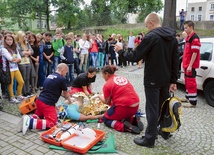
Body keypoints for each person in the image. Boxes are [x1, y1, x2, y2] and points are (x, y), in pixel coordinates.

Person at [115, 13, 179, 147]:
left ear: (151, 23)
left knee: (152, 109)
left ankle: (150, 139)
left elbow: (135, 56)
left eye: (146, 26)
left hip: (152, 79)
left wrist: (121, 51)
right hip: (165, 79)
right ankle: (165, 130)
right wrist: (173, 80)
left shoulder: (151, 36)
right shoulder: (172, 37)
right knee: (164, 106)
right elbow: (175, 61)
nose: (147, 28)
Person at [17, 63, 73, 135]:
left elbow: (54, 91)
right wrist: (70, 101)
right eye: (66, 72)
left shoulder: (50, 75)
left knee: (39, 115)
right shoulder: (61, 79)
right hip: (46, 104)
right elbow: (65, 94)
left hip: (40, 101)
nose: (66, 74)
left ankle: (29, 118)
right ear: (62, 70)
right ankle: (30, 122)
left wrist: (54, 105)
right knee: (52, 123)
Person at [98, 65, 143, 134]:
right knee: (118, 113)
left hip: (125, 107)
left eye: (103, 75)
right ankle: (133, 120)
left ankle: (125, 127)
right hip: (136, 104)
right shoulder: (122, 77)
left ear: (107, 74)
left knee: (106, 119)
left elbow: (107, 103)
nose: (103, 77)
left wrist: (99, 96)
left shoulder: (107, 85)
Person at [181, 21, 201, 108]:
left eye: (186, 28)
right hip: (187, 64)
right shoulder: (189, 38)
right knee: (187, 81)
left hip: (190, 65)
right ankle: (188, 97)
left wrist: (190, 65)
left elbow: (195, 53)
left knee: (191, 82)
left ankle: (192, 102)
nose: (185, 30)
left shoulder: (194, 38)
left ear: (191, 27)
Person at [1, 34, 25, 103]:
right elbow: (10, 58)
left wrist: (15, 59)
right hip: (8, 69)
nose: (9, 41)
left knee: (21, 82)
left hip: (15, 68)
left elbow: (19, 58)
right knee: (10, 84)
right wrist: (16, 59)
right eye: (7, 40)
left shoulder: (14, 48)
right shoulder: (4, 49)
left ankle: (19, 94)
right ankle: (12, 97)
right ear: (5, 40)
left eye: (11, 40)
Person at [16, 31, 34, 96]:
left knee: (28, 77)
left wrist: (26, 52)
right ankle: (24, 92)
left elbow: (32, 51)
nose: (25, 38)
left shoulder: (27, 43)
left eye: (25, 36)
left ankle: (28, 91)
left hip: (28, 62)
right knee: (23, 78)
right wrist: (27, 52)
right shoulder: (17, 44)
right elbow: (19, 53)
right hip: (21, 63)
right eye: (23, 36)